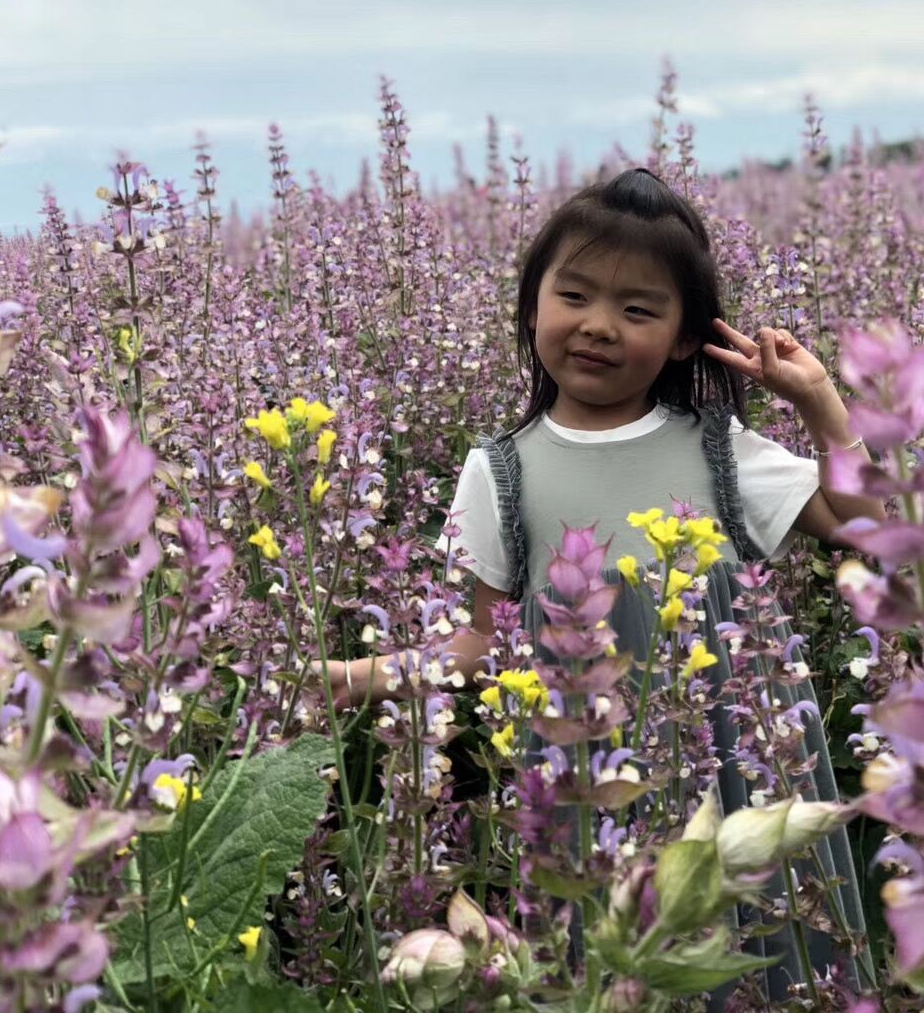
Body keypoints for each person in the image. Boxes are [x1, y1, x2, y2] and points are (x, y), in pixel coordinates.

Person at [325, 166, 885, 1000]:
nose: (597, 327)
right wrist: (355, 679)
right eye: (575, 295)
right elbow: (482, 643)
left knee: (769, 960)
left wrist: (820, 403)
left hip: (744, 766)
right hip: (595, 781)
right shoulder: (500, 471)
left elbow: (867, 524)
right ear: (531, 306)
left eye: (637, 309)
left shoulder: (717, 448)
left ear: (687, 337)